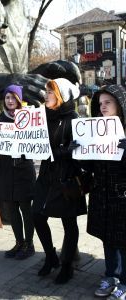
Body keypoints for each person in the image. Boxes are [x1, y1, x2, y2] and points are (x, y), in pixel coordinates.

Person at [32, 78, 86, 284]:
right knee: (37, 215)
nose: (46, 95)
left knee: (68, 222)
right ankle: (51, 257)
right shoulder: (40, 116)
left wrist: (63, 151)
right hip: (46, 175)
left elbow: (80, 149)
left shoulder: (73, 118)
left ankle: (67, 265)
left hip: (66, 177)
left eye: (50, 92)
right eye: (46, 91)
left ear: (61, 95)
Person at [81, 85, 126, 299]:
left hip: (122, 197)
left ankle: (125, 281)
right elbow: (91, 167)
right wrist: (78, 152)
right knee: (108, 238)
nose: (103, 107)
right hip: (102, 195)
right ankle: (111, 275)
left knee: (123, 240)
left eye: (108, 102)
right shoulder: (95, 129)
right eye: (100, 104)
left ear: (119, 104)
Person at [0, 85, 36, 259]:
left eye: (13, 97)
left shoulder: (29, 118)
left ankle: (29, 244)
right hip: (6, 169)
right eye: (7, 98)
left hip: (23, 169)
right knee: (12, 209)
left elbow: (36, 141)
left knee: (26, 208)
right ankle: (19, 242)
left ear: (19, 99)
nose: (10, 101)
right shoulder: (0, 118)